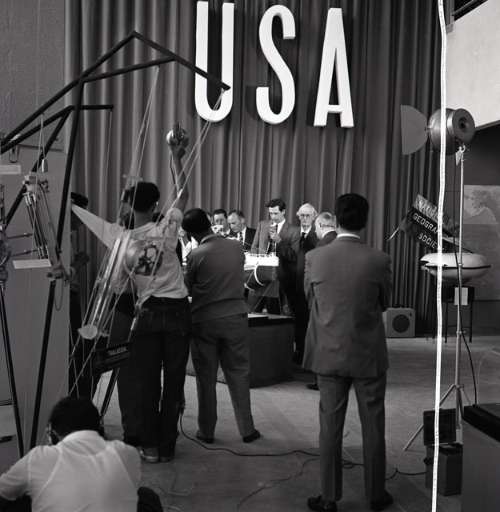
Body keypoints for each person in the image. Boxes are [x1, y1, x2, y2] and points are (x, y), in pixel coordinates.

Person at [303, 194, 393, 512]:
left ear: (336, 219)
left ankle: (329, 497)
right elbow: (385, 303)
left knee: (329, 425)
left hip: (328, 352)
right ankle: (376, 495)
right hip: (368, 353)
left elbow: (310, 300)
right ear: (365, 220)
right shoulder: (379, 260)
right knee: (374, 425)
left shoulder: (314, 257)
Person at [0, 396, 162, 512]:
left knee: (20, 498)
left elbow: (3, 491)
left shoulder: (38, 458)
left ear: (53, 433)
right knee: (146, 496)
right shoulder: (125, 453)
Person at [182, 208, 260, 444]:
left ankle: (206, 431)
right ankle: (247, 429)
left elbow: (187, 288)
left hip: (204, 321)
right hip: (236, 317)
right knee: (239, 374)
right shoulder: (236, 247)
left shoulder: (195, 256)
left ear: (191, 234)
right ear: (209, 223)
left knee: (205, 379)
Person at [250, 198, 300, 314]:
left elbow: (293, 256)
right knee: (252, 313)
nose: (273, 216)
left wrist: (279, 241)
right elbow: (254, 248)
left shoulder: (294, 230)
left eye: (276, 213)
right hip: (259, 278)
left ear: (283, 211)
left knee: (274, 316)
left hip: (278, 281)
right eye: (271, 213)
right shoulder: (262, 225)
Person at [305, 211, 336, 391]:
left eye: (315, 227)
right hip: (339, 304)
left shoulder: (320, 247)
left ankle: (321, 380)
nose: (314, 231)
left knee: (320, 342)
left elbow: (309, 281)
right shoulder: (340, 242)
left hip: (320, 303)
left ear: (321, 226)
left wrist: (311, 303)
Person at [294, 203, 318, 365]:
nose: (304, 218)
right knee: (298, 321)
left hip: (311, 287)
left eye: (307, 215)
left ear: (314, 217)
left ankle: (309, 357)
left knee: (310, 323)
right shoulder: (293, 233)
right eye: (301, 215)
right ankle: (299, 352)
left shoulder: (318, 236)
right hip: (294, 285)